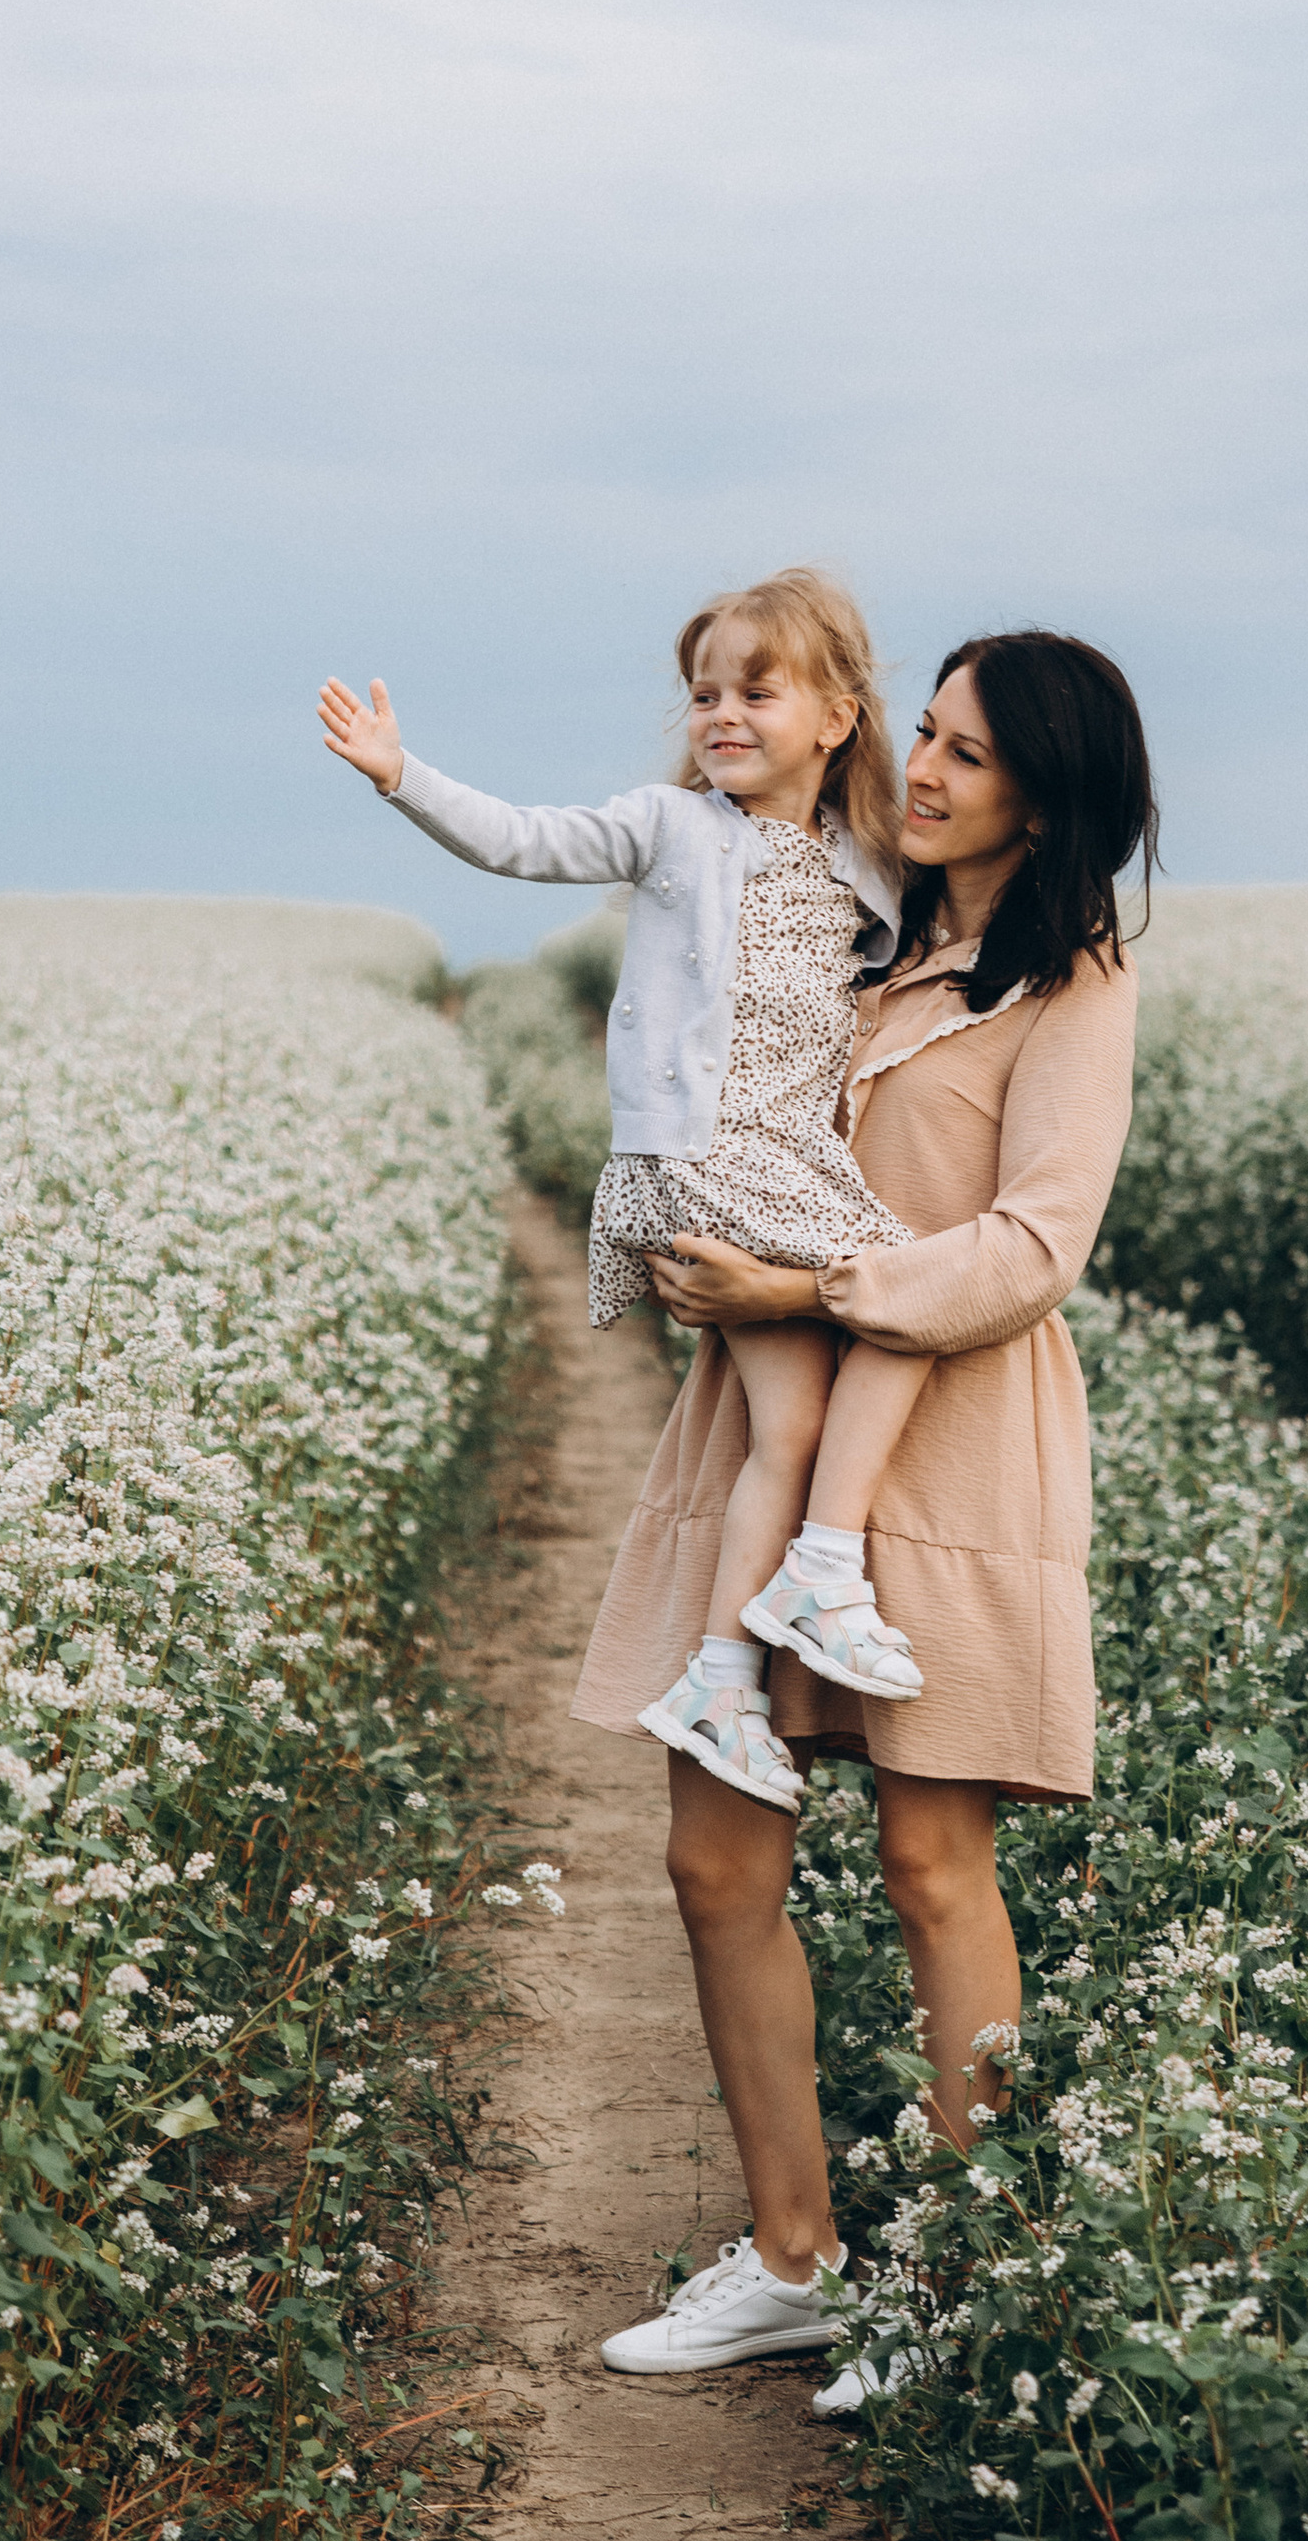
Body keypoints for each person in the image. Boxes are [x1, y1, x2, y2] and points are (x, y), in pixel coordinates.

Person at [573, 629, 1157, 2392]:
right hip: (766, 1430)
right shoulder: (851, 921)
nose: (922, 766)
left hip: (953, 1446)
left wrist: (798, 1296)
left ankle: (967, 2289)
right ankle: (794, 2255)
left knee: (927, 1862)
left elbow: (1036, 1248)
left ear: (1045, 796)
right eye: (923, 727)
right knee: (713, 1858)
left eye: (967, 754)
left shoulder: (1075, 982)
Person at [318, 568, 945, 1816]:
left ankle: (724, 1678)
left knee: (798, 1422)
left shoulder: (861, 864)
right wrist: (401, 775)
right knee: (913, 1293)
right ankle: (820, 1571)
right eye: (704, 692)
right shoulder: (673, 832)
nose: (720, 713)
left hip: (781, 1161)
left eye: (756, 691)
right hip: (704, 1158)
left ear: (836, 718)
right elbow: (524, 840)